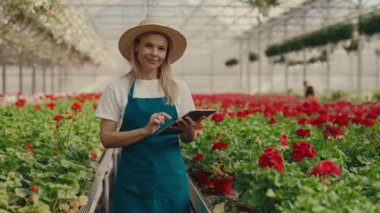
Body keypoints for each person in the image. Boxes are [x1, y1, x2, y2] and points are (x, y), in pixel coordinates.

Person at [95, 18, 202, 213]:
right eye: (148, 46)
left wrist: (190, 132)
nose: (155, 53)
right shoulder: (117, 88)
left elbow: (188, 139)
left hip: (171, 180)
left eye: (161, 48)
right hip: (133, 181)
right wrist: (145, 131)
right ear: (136, 47)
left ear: (167, 53)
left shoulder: (179, 88)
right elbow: (107, 138)